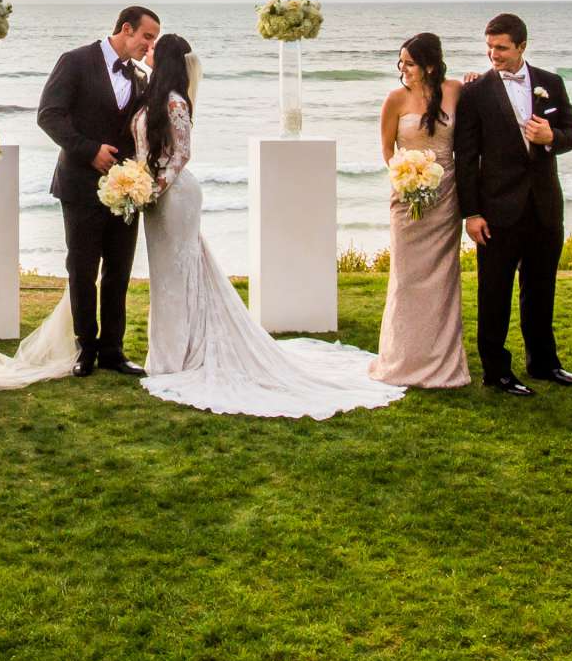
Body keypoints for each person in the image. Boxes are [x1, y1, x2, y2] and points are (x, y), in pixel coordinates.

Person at [132, 33, 403, 418]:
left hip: (175, 197)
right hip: (153, 198)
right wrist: (138, 183)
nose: (149, 53)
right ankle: (171, 350)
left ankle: (174, 357)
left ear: (168, 59)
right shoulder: (149, 99)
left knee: (179, 274)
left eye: (156, 51)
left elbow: (183, 153)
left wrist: (157, 187)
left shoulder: (175, 102)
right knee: (167, 276)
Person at [453, 13, 572, 396]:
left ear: (522, 46)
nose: (494, 54)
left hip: (544, 207)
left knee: (541, 289)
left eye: (502, 48)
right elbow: (466, 156)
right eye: (489, 47)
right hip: (496, 210)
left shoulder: (551, 83)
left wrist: (550, 136)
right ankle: (497, 372)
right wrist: (471, 213)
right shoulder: (475, 92)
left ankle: (544, 364)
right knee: (494, 293)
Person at [36, 5, 161, 377]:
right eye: (147, 37)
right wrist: (89, 150)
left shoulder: (141, 77)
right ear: (126, 29)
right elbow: (49, 115)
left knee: (119, 271)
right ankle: (84, 349)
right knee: (82, 269)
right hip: (80, 186)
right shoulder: (75, 62)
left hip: (127, 190)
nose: (149, 45)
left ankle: (113, 350)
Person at [369, 33, 469, 388]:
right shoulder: (395, 100)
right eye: (400, 63)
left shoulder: (455, 90)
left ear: (429, 65)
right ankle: (402, 359)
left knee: (443, 279)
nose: (402, 69)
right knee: (407, 279)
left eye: (409, 63)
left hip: (446, 199)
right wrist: (407, 177)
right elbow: (387, 152)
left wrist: (476, 78)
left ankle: (441, 361)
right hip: (407, 197)